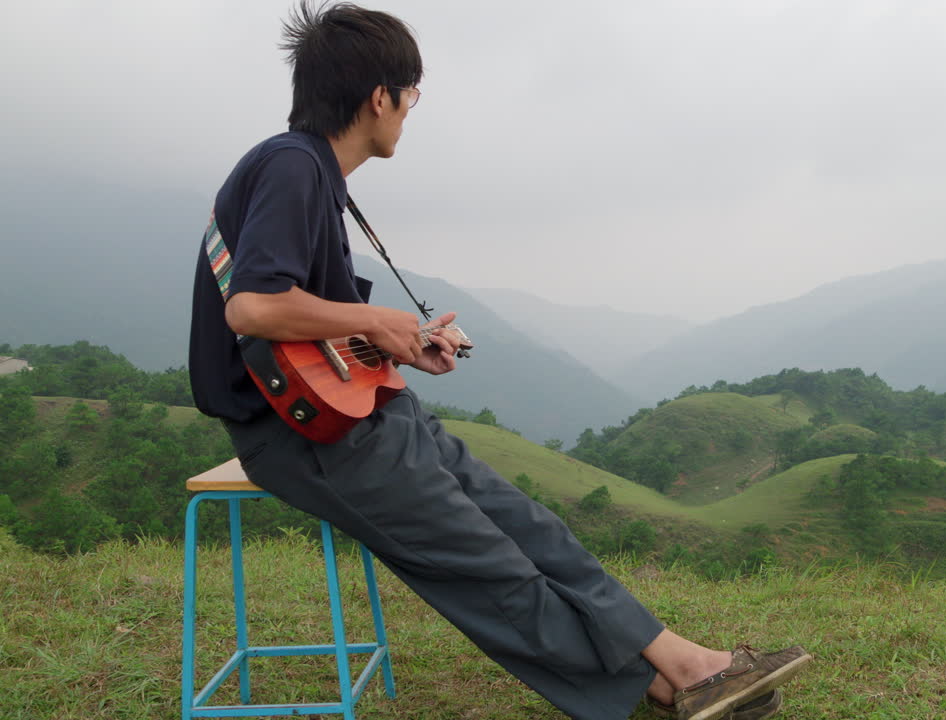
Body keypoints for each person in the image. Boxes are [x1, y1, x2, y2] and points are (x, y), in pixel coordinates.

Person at [187, 3, 811, 719]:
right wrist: (376, 318)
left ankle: (683, 661)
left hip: (364, 414)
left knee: (531, 528)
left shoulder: (312, 176)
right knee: (491, 566)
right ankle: (655, 693)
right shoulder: (294, 166)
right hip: (307, 439)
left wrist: (396, 345)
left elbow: (301, 337)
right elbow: (254, 309)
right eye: (410, 95)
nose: (409, 112)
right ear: (379, 97)